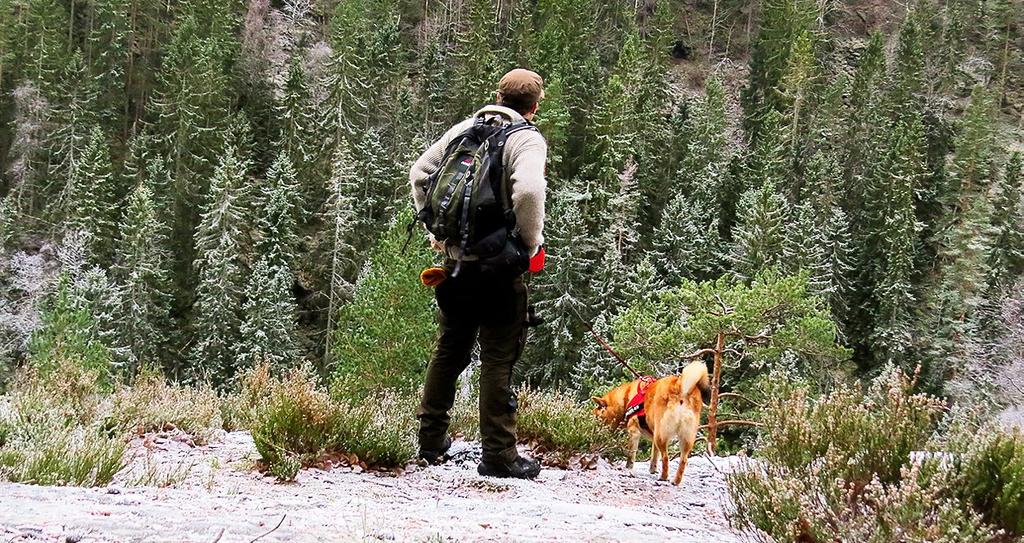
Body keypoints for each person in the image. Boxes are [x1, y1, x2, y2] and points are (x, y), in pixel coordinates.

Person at [409, 68, 548, 479]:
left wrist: (439, 232)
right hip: (499, 271)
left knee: (450, 349)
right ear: (534, 106)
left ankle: (431, 441)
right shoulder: (526, 138)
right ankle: (499, 455)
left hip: (455, 266)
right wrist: (530, 243)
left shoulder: (467, 128)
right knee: (498, 358)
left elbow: (420, 173)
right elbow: (528, 191)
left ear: (499, 95)